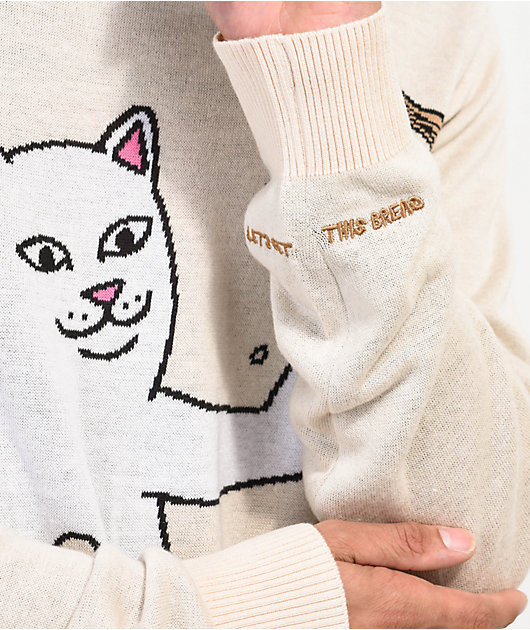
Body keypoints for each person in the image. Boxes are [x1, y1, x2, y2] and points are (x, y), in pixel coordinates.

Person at [0, 1, 527, 627]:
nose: (105, 286)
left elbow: (467, 570)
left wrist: (331, 93)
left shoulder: (439, 23)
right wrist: (250, 610)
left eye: (124, 243)